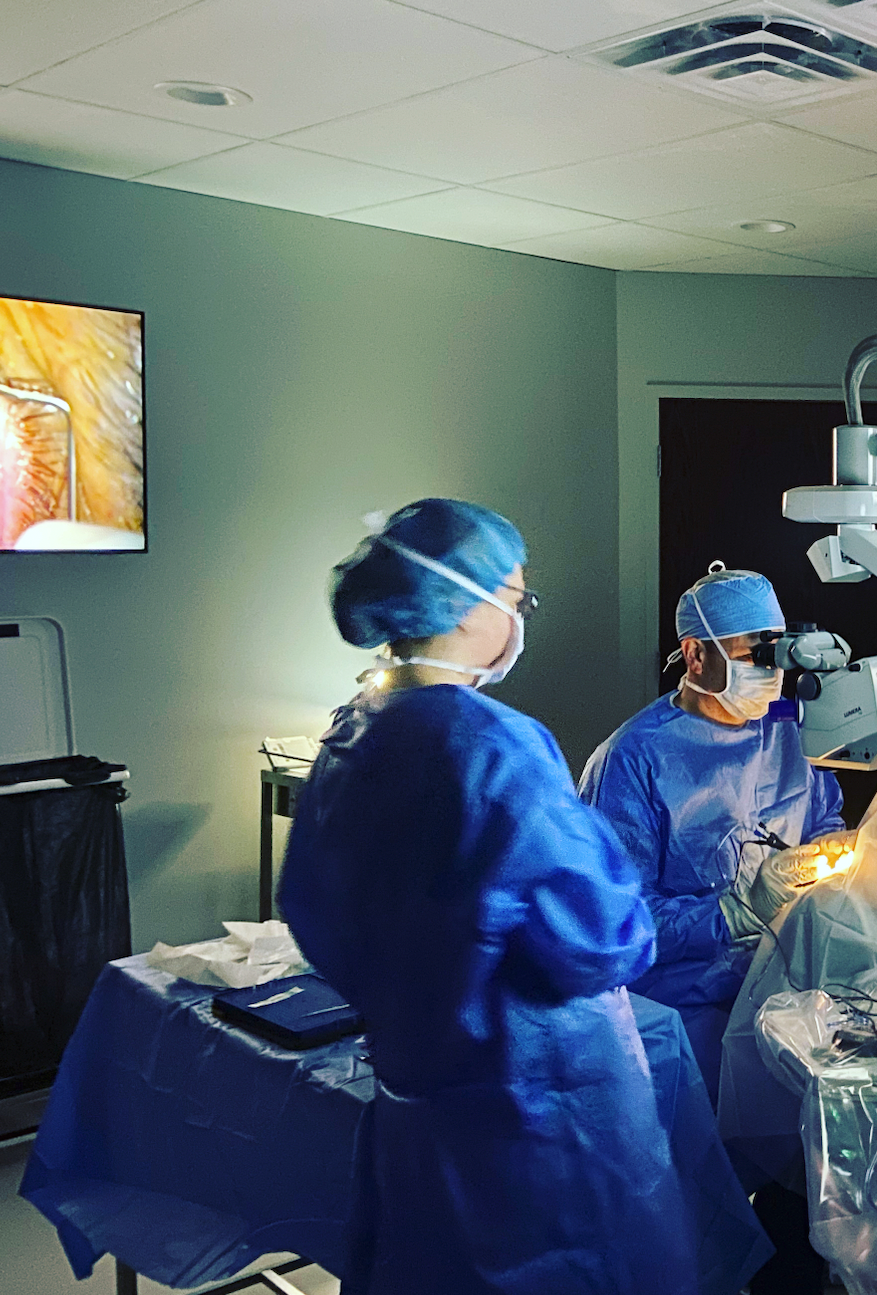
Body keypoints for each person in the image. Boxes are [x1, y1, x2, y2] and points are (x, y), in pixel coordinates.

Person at [279, 500, 767, 1295]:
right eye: (514, 596)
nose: (518, 616)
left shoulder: (352, 732)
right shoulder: (492, 745)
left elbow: (306, 907)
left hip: (418, 1113)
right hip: (542, 1122)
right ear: (464, 605)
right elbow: (604, 937)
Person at [580, 565, 846, 1295]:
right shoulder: (633, 759)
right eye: (752, 651)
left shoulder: (791, 730)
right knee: (698, 1226)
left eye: (778, 649)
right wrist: (729, 913)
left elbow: (826, 824)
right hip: (683, 1018)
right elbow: (616, 925)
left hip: (785, 997)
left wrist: (833, 862)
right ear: (697, 655)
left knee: (813, 1188)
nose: (772, 670)